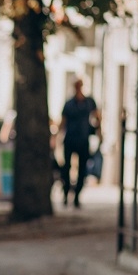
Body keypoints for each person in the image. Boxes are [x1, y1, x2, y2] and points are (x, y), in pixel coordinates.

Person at [57, 78, 101, 208]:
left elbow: (97, 116)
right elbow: (63, 122)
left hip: (83, 139)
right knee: (66, 168)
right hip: (70, 139)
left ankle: (76, 195)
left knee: (82, 169)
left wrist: (99, 131)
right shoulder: (69, 104)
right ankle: (66, 193)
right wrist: (56, 138)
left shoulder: (89, 102)